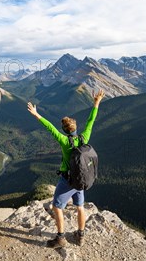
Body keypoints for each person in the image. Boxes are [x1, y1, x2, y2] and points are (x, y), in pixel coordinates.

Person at [27, 88, 105, 248]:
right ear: (76, 128)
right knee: (80, 206)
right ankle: (80, 235)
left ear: (65, 130)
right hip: (82, 178)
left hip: (68, 180)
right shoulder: (85, 137)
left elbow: (50, 128)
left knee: (56, 206)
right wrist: (96, 103)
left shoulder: (63, 140)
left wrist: (36, 115)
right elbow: (91, 121)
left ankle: (60, 237)